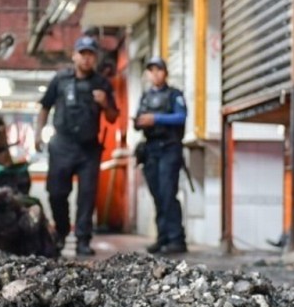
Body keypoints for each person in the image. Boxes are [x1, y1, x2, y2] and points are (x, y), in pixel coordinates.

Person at [35, 36, 119, 256]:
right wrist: (38, 134)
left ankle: (83, 239)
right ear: (74, 55)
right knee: (56, 193)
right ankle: (62, 233)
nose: (86, 58)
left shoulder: (102, 84)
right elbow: (45, 107)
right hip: (61, 144)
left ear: (95, 58)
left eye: (91, 54)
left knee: (87, 196)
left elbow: (112, 117)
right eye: (82, 53)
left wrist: (105, 103)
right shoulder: (60, 80)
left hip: (89, 149)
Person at [135, 56, 188, 254]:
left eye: (159, 70)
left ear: (165, 72)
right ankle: (163, 237)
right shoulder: (145, 97)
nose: (155, 74)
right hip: (151, 150)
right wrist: (141, 121)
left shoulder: (175, 95)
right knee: (157, 195)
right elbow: (137, 119)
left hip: (170, 148)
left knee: (167, 194)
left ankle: (176, 239)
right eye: (152, 70)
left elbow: (181, 117)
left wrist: (155, 118)